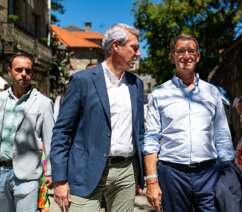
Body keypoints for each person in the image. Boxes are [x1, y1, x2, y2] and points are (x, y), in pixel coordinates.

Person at [50, 23, 145, 212]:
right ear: (116, 46)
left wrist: (143, 175)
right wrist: (60, 180)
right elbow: (62, 132)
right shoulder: (83, 80)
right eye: (134, 47)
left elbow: (139, 132)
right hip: (85, 172)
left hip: (125, 173)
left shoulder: (136, 85)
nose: (139, 53)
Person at [143, 34, 235, 212]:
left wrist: (229, 172)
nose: (186, 55)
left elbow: (222, 134)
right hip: (172, 174)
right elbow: (151, 139)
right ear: (173, 56)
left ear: (198, 56)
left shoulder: (212, 92)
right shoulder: (159, 94)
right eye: (180, 51)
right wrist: (152, 181)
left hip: (209, 172)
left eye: (191, 51)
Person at [0, 53, 54, 212]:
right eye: (19, 69)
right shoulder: (1, 99)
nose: (23, 74)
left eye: (28, 71)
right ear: (9, 71)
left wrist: (50, 172)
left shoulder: (43, 103)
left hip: (28, 174)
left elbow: (50, 140)